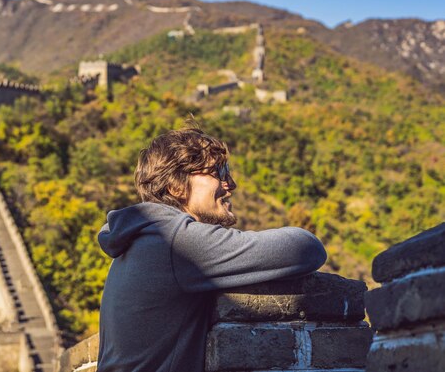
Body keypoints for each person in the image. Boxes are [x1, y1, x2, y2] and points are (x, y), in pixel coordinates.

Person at [97, 128, 327, 372]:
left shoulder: (137, 241)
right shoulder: (176, 243)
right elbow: (306, 248)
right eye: (219, 173)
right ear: (176, 185)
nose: (231, 185)